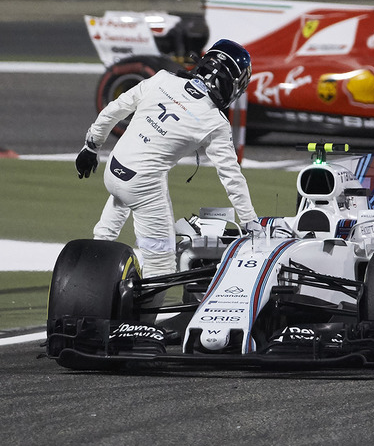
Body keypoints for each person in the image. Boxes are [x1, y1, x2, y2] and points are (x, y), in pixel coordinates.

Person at [75, 39, 260, 279]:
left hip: (114, 168)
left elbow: (114, 109)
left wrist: (91, 146)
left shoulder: (162, 79)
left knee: (123, 197)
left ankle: (93, 262)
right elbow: (231, 177)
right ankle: (142, 317)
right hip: (141, 186)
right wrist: (249, 221)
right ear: (231, 83)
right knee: (161, 265)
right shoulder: (215, 122)